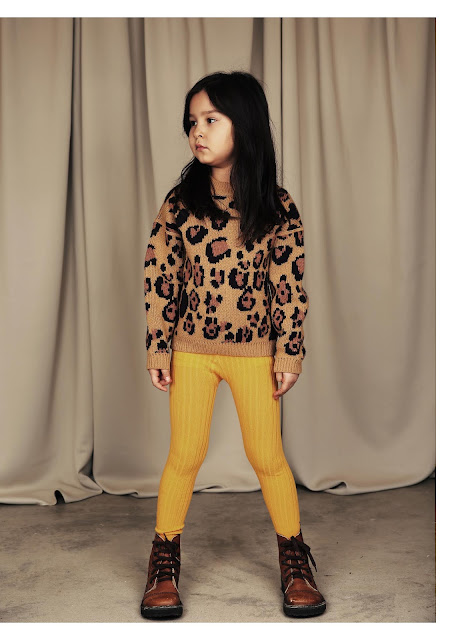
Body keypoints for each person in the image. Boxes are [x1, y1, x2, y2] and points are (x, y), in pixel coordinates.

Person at [141, 71, 326, 620]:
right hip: (191, 350)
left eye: (210, 119)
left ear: (242, 126)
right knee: (185, 455)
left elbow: (288, 282)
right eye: (191, 122)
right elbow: (159, 274)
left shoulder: (276, 206)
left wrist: (288, 352)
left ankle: (295, 560)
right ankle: (163, 562)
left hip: (255, 352)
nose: (197, 131)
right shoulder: (181, 203)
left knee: (267, 457)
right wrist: (159, 347)